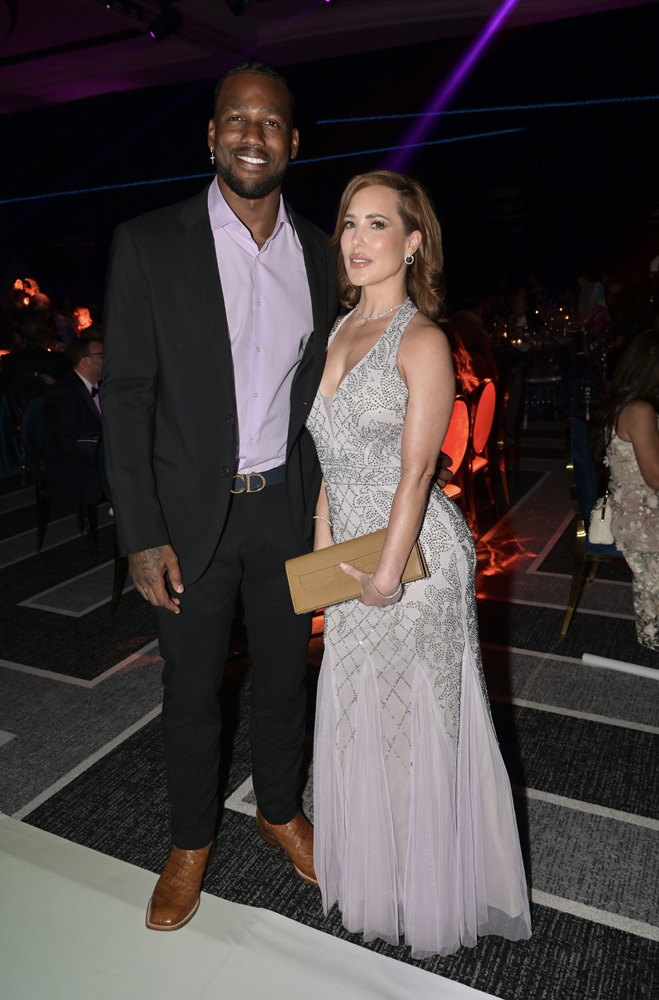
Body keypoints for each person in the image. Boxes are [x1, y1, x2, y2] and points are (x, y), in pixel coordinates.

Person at [101, 60, 339, 932]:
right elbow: (125, 397)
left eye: (270, 122)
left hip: (286, 508)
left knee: (285, 680)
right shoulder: (148, 242)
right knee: (192, 692)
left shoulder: (319, 252)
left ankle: (279, 811)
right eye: (235, 119)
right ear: (210, 135)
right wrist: (142, 533)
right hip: (187, 519)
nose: (251, 134)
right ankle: (189, 842)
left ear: (291, 141)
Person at [306, 170, 532, 957]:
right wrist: (324, 555)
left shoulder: (423, 337)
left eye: (377, 225)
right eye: (347, 224)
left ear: (411, 241)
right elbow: (328, 461)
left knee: (420, 719)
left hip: (416, 557)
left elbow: (416, 472)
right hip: (351, 556)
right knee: (361, 713)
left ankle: (433, 884)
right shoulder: (332, 333)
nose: (358, 240)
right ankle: (385, 870)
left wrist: (384, 574)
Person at [592, 330, 659, 651]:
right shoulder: (639, 410)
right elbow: (656, 477)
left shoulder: (629, 405)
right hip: (643, 520)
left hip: (637, 511)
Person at [42, 336, 105, 506]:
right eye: (102, 355)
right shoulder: (63, 394)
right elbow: (67, 443)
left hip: (97, 453)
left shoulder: (104, 385)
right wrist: (106, 454)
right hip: (73, 467)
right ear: (85, 361)